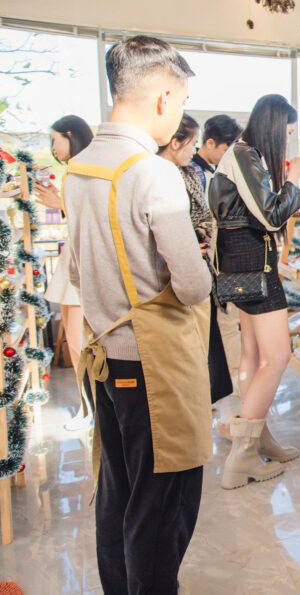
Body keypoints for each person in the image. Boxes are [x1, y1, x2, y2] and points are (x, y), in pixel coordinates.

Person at [64, 36, 212, 594]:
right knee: (162, 507)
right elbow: (193, 286)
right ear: (164, 97)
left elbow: (76, 271)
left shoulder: (79, 168)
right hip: (153, 364)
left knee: (118, 493)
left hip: (104, 360)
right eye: (181, 101)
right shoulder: (152, 173)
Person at [209, 93, 300, 489]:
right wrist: (295, 178)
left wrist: (289, 196)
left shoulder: (241, 155)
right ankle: (243, 455)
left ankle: (259, 437)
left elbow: (257, 211)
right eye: (286, 131)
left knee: (252, 354)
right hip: (254, 264)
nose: (287, 139)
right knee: (277, 356)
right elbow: (270, 217)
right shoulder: (244, 155)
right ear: (273, 126)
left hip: (242, 264)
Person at [157, 114, 233, 409]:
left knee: (204, 345)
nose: (194, 149)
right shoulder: (158, 177)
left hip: (200, 271)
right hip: (173, 279)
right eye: (191, 143)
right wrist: (189, 243)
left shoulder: (188, 173)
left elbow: (202, 219)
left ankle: (202, 402)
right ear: (175, 143)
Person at [36, 115, 94, 430]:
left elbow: (91, 214)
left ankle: (91, 410)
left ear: (70, 135)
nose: (53, 148)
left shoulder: (83, 169)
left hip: (81, 260)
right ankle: (88, 408)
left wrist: (59, 203)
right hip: (75, 256)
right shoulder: (78, 169)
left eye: (55, 139)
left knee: (79, 340)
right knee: (75, 340)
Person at [189, 114, 244, 437]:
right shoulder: (193, 174)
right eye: (225, 149)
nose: (227, 156)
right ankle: (226, 407)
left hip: (217, 265)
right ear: (209, 143)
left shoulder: (211, 172)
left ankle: (225, 402)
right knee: (220, 334)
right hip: (207, 269)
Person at [191, 114, 241, 194]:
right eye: (225, 151)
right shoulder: (192, 171)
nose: (229, 157)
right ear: (210, 143)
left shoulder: (217, 169)